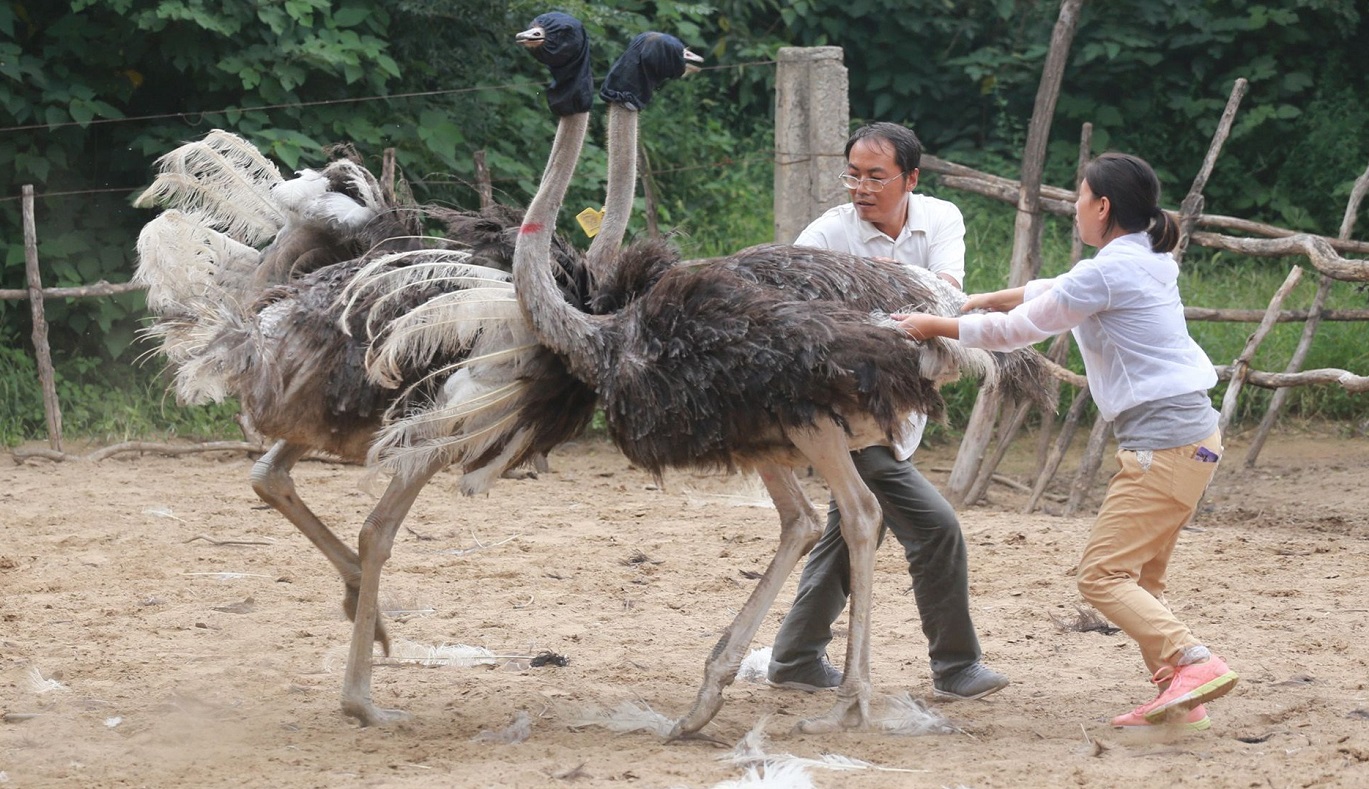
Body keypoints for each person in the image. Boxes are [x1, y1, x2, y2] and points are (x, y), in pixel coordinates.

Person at [894, 151, 1238, 730]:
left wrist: (937, 326)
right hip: (1192, 437)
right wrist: (988, 297)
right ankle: (1182, 702)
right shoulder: (1149, 260)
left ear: (1103, 207)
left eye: (1080, 197)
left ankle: (1193, 662)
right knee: (1142, 581)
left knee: (1101, 576)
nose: (1075, 207)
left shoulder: (1106, 271)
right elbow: (1055, 290)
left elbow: (1022, 329)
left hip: (1165, 445)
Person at [766, 121, 1010, 702]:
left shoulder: (941, 219)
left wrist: (874, 315)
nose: (861, 187)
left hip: (897, 408)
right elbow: (788, 312)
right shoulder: (828, 233)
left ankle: (796, 657)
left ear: (910, 179)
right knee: (935, 528)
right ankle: (956, 667)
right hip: (840, 414)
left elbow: (945, 294)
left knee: (853, 524)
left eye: (876, 176)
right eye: (853, 175)